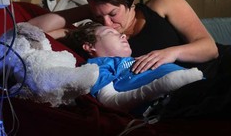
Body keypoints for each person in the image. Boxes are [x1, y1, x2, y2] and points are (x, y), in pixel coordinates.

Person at [28, 0, 218, 79]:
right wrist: (89, 11)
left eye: (113, 14)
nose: (107, 23)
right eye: (98, 16)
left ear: (129, 1)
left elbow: (210, 48)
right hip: (189, 93)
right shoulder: (97, 37)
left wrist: (172, 53)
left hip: (216, 68)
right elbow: (31, 29)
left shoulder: (164, 2)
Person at [66, 21, 203, 112]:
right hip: (175, 96)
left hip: (195, 84)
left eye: (120, 33)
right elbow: (110, 100)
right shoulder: (97, 65)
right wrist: (165, 84)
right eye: (111, 33)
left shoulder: (131, 59)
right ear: (90, 46)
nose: (123, 35)